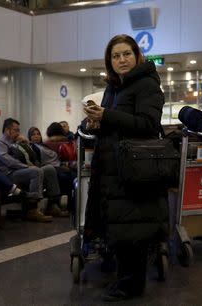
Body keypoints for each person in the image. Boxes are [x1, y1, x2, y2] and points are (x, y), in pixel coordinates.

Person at [83, 34, 168, 302]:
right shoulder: (114, 87)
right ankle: (125, 279)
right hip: (112, 169)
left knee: (133, 230)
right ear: (109, 61)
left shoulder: (147, 85)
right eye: (116, 56)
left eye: (126, 54)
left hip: (134, 171)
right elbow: (115, 124)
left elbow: (147, 123)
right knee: (120, 227)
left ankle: (131, 286)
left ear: (137, 55)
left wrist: (107, 115)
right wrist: (95, 124)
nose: (122, 60)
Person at [0, 118, 52, 222]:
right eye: (16, 130)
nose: (18, 133)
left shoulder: (14, 143)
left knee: (48, 169)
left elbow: (31, 157)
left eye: (18, 130)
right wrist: (27, 167)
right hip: (6, 175)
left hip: (17, 171)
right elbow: (9, 161)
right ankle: (32, 210)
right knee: (36, 172)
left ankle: (52, 204)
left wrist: (26, 144)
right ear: (7, 130)